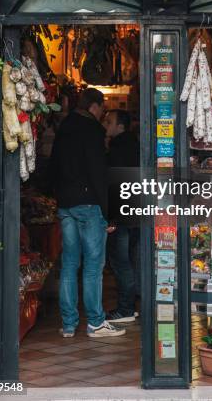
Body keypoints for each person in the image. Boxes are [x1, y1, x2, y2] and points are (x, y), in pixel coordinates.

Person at [49, 88, 126, 338]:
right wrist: (109, 212)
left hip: (66, 205)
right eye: (102, 108)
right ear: (94, 106)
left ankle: (69, 324)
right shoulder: (92, 130)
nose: (103, 114)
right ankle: (95, 322)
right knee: (93, 266)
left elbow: (53, 166)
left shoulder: (64, 127)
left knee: (70, 264)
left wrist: (58, 196)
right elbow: (98, 174)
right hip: (89, 204)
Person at [103, 109, 140, 324]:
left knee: (120, 262)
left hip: (121, 216)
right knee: (131, 260)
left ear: (120, 127)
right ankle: (132, 304)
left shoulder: (117, 149)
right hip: (136, 212)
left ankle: (125, 308)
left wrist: (111, 217)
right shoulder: (136, 146)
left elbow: (112, 185)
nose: (105, 125)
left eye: (109, 122)